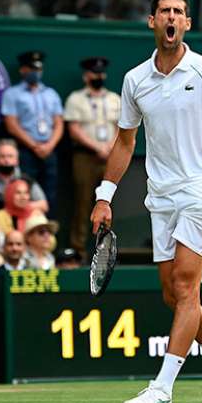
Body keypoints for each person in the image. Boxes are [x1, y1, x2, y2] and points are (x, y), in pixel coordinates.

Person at [90, 0, 202, 403]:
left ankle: (162, 391)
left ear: (187, 24)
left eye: (179, 12)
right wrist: (104, 197)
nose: (172, 18)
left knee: (184, 285)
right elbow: (125, 142)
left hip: (200, 190)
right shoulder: (134, 80)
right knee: (173, 296)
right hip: (159, 195)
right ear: (152, 22)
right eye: (165, 12)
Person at [64, 56, 121, 260]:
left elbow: (120, 129)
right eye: (94, 73)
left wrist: (109, 147)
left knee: (109, 202)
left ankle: (106, 251)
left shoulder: (114, 98)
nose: (98, 76)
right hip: (85, 156)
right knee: (82, 202)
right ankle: (78, 250)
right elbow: (74, 129)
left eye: (101, 73)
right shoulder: (76, 99)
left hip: (110, 156)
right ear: (86, 76)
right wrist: (97, 146)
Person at [1, 50, 64, 211]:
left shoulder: (51, 93)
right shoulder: (12, 94)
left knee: (51, 193)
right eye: (31, 68)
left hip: (49, 150)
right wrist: (34, 146)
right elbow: (11, 125)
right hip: (26, 151)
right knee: (25, 190)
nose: (35, 72)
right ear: (23, 70)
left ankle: (48, 231)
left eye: (38, 69)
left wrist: (49, 145)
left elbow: (58, 123)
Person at [0, 139, 49, 210]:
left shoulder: (27, 180)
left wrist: (21, 206)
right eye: (2, 156)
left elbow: (44, 205)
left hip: (23, 218)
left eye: (10, 156)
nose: (6, 160)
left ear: (17, 160)